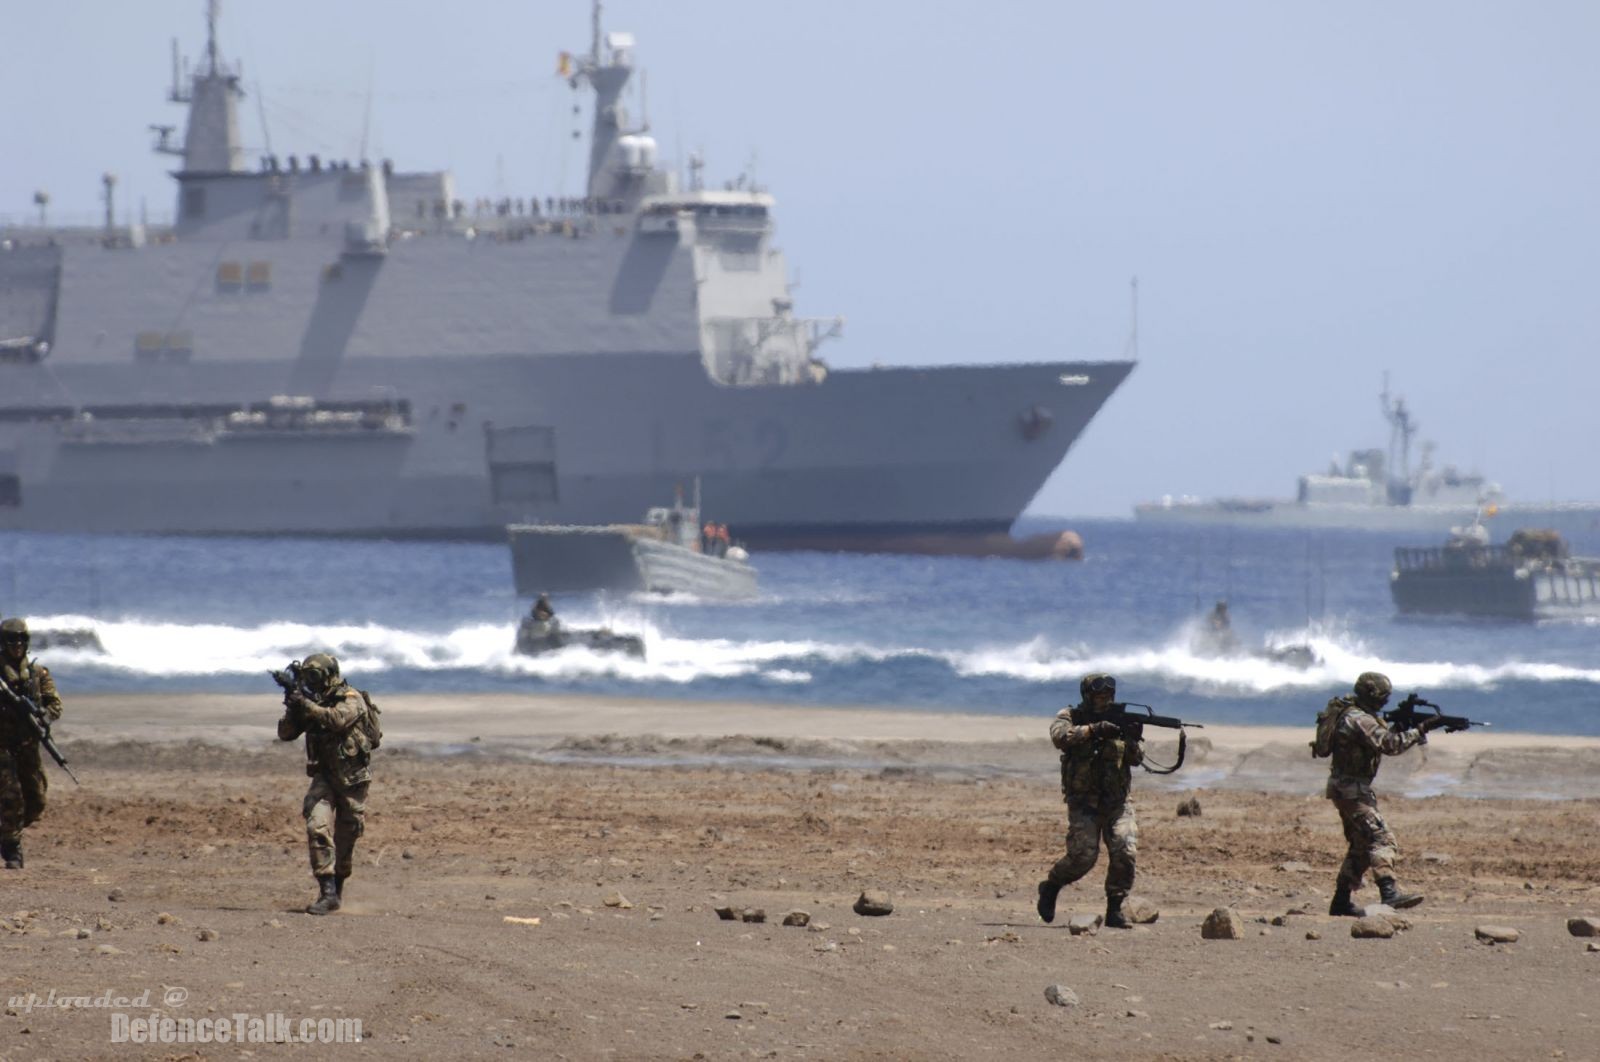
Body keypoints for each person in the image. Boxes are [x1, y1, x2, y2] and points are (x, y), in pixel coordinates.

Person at [1319, 671, 1441, 916]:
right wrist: (1421, 729)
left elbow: (1380, 740)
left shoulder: (1358, 716)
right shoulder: (1359, 719)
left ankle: (1341, 902)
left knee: (1362, 846)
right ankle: (1389, 892)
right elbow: (1390, 745)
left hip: (1348, 789)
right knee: (1382, 840)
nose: (1385, 702)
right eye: (1383, 697)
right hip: (1351, 792)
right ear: (1372, 695)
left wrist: (1403, 727)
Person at [1036, 672, 1143, 928]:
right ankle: (1051, 886)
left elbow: (1137, 759)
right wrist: (1093, 730)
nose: (1104, 701)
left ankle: (1115, 909)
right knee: (1083, 857)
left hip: (1117, 801)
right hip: (1084, 802)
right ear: (1087, 696)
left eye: (1108, 696)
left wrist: (1131, 738)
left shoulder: (1120, 719)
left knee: (1125, 850)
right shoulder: (1071, 716)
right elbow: (1059, 737)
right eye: (1099, 697)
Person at [276, 653, 379, 915]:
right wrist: (293, 706)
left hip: (353, 780)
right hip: (324, 777)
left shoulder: (351, 699)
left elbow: (336, 720)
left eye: (315, 676)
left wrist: (306, 705)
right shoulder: (312, 703)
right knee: (316, 825)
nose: (312, 681)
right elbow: (286, 734)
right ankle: (327, 892)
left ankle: (338, 888)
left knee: (348, 836)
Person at [0, 619, 62, 870]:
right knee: (11, 797)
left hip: (28, 744)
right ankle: (11, 848)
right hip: (2, 745)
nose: (17, 645)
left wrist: (42, 716)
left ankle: (6, 830)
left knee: (36, 800)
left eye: (21, 639)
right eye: (11, 640)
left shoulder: (38, 674)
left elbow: (54, 704)